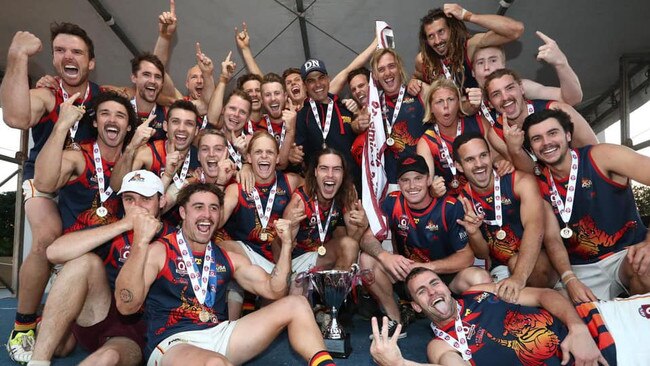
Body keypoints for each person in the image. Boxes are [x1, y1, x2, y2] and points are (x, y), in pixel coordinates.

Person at [114, 183, 336, 366]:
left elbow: (275, 290)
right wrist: (141, 243)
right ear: (183, 212)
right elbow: (126, 306)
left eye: (213, 208)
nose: (207, 215)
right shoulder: (160, 250)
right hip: (174, 342)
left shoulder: (226, 256)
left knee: (296, 304)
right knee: (216, 364)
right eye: (198, 207)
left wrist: (286, 245)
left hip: (219, 334)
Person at [0, 24, 101, 361]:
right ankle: (24, 325)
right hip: (45, 182)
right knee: (47, 240)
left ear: (91, 62)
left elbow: (150, 87)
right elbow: (15, 116)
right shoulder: (47, 93)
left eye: (77, 52)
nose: (68, 57)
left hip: (86, 185)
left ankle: (73, 316)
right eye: (60, 50)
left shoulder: (104, 96)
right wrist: (17, 58)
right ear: (54, 58)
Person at [27, 170, 173, 366]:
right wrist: (124, 225)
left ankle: (63, 334)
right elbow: (53, 252)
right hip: (100, 313)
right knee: (84, 262)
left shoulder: (174, 238)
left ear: (161, 201)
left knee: (107, 358)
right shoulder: (112, 228)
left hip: (138, 326)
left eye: (145, 199)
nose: (137, 207)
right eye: (129, 199)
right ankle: (38, 361)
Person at [371, 267, 650, 365]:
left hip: (603, 321)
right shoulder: (441, 344)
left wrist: (577, 329)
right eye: (422, 292)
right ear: (417, 307)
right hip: (618, 358)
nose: (432, 292)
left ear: (446, 286)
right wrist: (401, 365)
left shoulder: (480, 291)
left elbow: (543, 295)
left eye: (435, 283)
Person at [523, 108, 650, 301]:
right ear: (531, 149)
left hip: (625, 255)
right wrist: (569, 278)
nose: (546, 142)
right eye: (537, 138)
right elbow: (553, 240)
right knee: (533, 271)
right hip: (579, 267)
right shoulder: (537, 183)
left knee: (646, 265)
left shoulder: (602, 156)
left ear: (567, 135)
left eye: (552, 133)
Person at [359, 155, 488, 337]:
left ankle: (475, 327)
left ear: (428, 179)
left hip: (445, 275)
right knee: (367, 260)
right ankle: (396, 320)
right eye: (405, 180)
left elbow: (467, 256)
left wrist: (427, 267)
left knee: (480, 277)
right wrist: (385, 256)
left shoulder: (449, 206)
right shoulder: (392, 202)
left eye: (418, 178)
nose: (412, 186)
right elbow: (366, 239)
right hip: (408, 273)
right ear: (399, 183)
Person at [452, 132, 557, 303]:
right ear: (459, 166)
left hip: (537, 261)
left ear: (491, 156)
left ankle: (546, 301)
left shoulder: (520, 181)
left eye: (483, 156)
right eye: (470, 160)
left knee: (516, 264)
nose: (479, 164)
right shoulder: (461, 202)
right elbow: (482, 253)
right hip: (500, 269)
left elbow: (534, 228)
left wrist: (518, 277)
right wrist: (473, 233)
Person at [34, 92, 137, 233]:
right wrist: (61, 126)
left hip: (114, 247)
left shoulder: (132, 161)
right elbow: (43, 184)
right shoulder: (79, 157)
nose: (112, 120)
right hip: (76, 249)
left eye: (120, 115)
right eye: (105, 114)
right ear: (95, 122)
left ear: (129, 126)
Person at [409, 4, 524, 110]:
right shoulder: (424, 60)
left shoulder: (470, 47)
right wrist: (413, 82)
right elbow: (416, 77)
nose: (438, 41)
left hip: (480, 114)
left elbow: (516, 30)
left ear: (451, 30)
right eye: (431, 36)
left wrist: (468, 16)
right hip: (448, 120)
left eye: (441, 32)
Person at [281, 149, 367, 289]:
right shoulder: (300, 200)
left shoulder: (345, 194)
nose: (330, 175)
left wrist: (362, 227)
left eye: (337, 169)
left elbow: (353, 244)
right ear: (315, 172)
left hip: (323, 256)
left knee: (349, 245)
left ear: (343, 174)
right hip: (297, 261)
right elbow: (281, 247)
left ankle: (332, 301)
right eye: (324, 169)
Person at [484, 68, 598, 174]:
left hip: (581, 174)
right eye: (496, 94)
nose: (505, 97)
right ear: (490, 104)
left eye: (510, 88)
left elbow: (594, 152)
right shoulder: (496, 134)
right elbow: (533, 173)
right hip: (548, 189)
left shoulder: (558, 110)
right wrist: (515, 150)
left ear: (522, 89)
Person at [416, 78, 492, 196]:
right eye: (439, 101)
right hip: (451, 204)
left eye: (451, 100)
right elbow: (426, 183)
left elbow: (497, 159)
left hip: (486, 195)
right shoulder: (426, 142)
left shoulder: (479, 123)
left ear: (459, 103)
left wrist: (502, 163)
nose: (446, 106)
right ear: (430, 108)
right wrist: (432, 190)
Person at [295, 58, 361, 189]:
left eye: (321, 78)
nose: (318, 84)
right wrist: (293, 154)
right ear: (305, 85)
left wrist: (358, 115)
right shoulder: (302, 115)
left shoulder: (346, 108)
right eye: (311, 81)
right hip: (321, 189)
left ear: (328, 79)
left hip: (352, 185)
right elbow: (298, 155)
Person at [110, 99, 201, 192]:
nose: (182, 128)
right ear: (165, 126)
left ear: (196, 130)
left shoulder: (201, 157)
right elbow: (117, 187)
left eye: (189, 123)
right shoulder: (147, 153)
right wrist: (131, 147)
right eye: (175, 121)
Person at [371, 48, 428, 187]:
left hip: (424, 177)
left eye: (391, 66)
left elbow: (447, 99)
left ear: (399, 68)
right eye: (381, 69)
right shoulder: (373, 105)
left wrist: (420, 82)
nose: (388, 73)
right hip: (392, 183)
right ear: (375, 76)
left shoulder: (419, 92)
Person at [256, 73, 297, 170]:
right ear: (262, 100)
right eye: (267, 95)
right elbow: (279, 165)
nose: (273, 98)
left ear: (285, 96)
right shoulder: (258, 128)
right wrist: (290, 133)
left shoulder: (299, 119)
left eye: (277, 93)